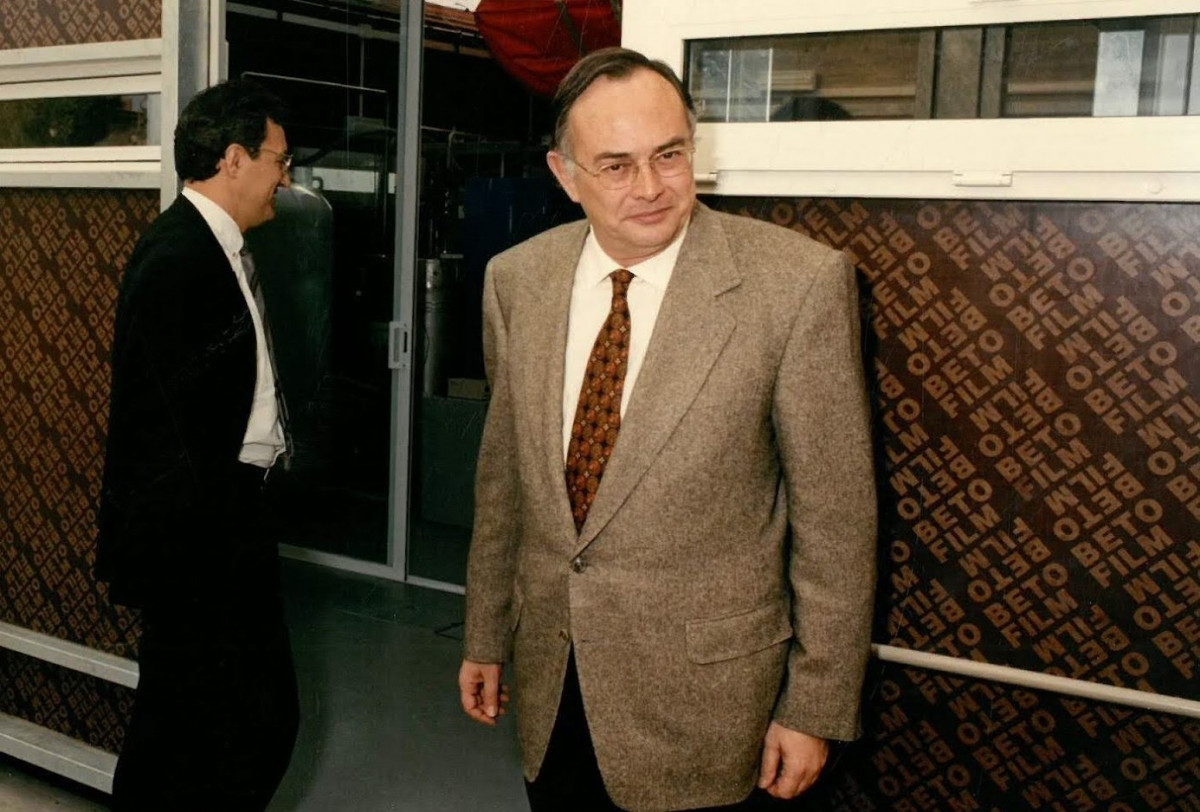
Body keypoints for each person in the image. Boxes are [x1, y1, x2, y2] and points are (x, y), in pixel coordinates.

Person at [458, 47, 877, 812]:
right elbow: (506, 481)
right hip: (554, 678)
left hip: (711, 705)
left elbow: (837, 522)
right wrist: (486, 632)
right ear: (564, 175)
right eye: (616, 166)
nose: (650, 187)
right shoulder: (517, 280)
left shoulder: (797, 284)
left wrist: (813, 707)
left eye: (669, 154)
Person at [95, 79, 298, 811]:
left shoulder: (215, 248)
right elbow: (156, 431)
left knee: (211, 724)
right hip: (199, 538)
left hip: (228, 520)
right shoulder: (178, 257)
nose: (286, 178)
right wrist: (196, 553)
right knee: (215, 724)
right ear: (235, 158)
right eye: (280, 160)